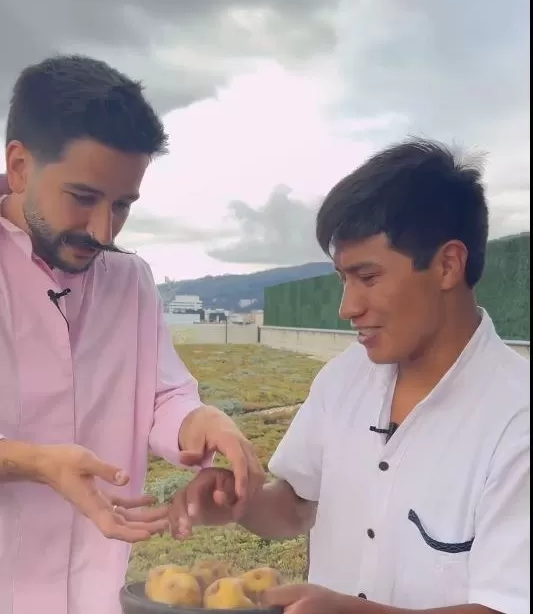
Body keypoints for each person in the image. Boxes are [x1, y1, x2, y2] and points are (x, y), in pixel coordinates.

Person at [169, 139, 530, 614]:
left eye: (369, 277)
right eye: (343, 278)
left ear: (447, 264)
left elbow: (506, 606)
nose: (347, 307)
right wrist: (240, 501)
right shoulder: (343, 378)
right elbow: (298, 504)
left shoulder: (515, 419)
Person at [0, 55, 264, 614]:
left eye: (122, 205)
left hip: (98, 593)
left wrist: (199, 420)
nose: (103, 230)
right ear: (19, 166)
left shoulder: (130, 280)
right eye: (83, 197)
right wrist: (32, 461)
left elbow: (162, 395)